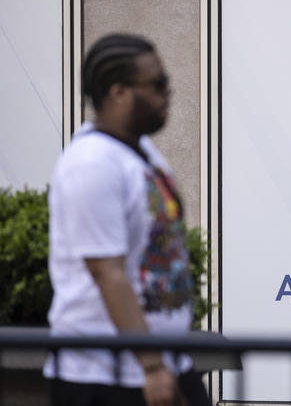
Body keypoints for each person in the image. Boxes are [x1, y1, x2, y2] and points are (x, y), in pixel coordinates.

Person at [43, 34, 210, 406]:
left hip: (165, 363)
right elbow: (106, 270)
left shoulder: (141, 153)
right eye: (158, 84)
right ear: (118, 93)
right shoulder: (91, 164)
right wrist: (151, 367)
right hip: (107, 377)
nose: (168, 93)